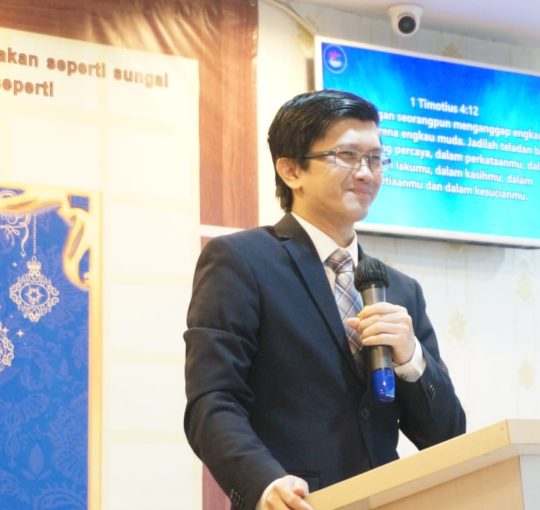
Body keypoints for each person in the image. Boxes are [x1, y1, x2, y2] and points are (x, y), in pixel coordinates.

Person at [184, 89, 466, 510]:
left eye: (375, 159)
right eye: (347, 156)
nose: (366, 173)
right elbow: (213, 400)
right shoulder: (241, 261)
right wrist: (263, 483)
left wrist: (411, 358)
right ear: (291, 170)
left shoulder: (400, 290)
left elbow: (447, 436)